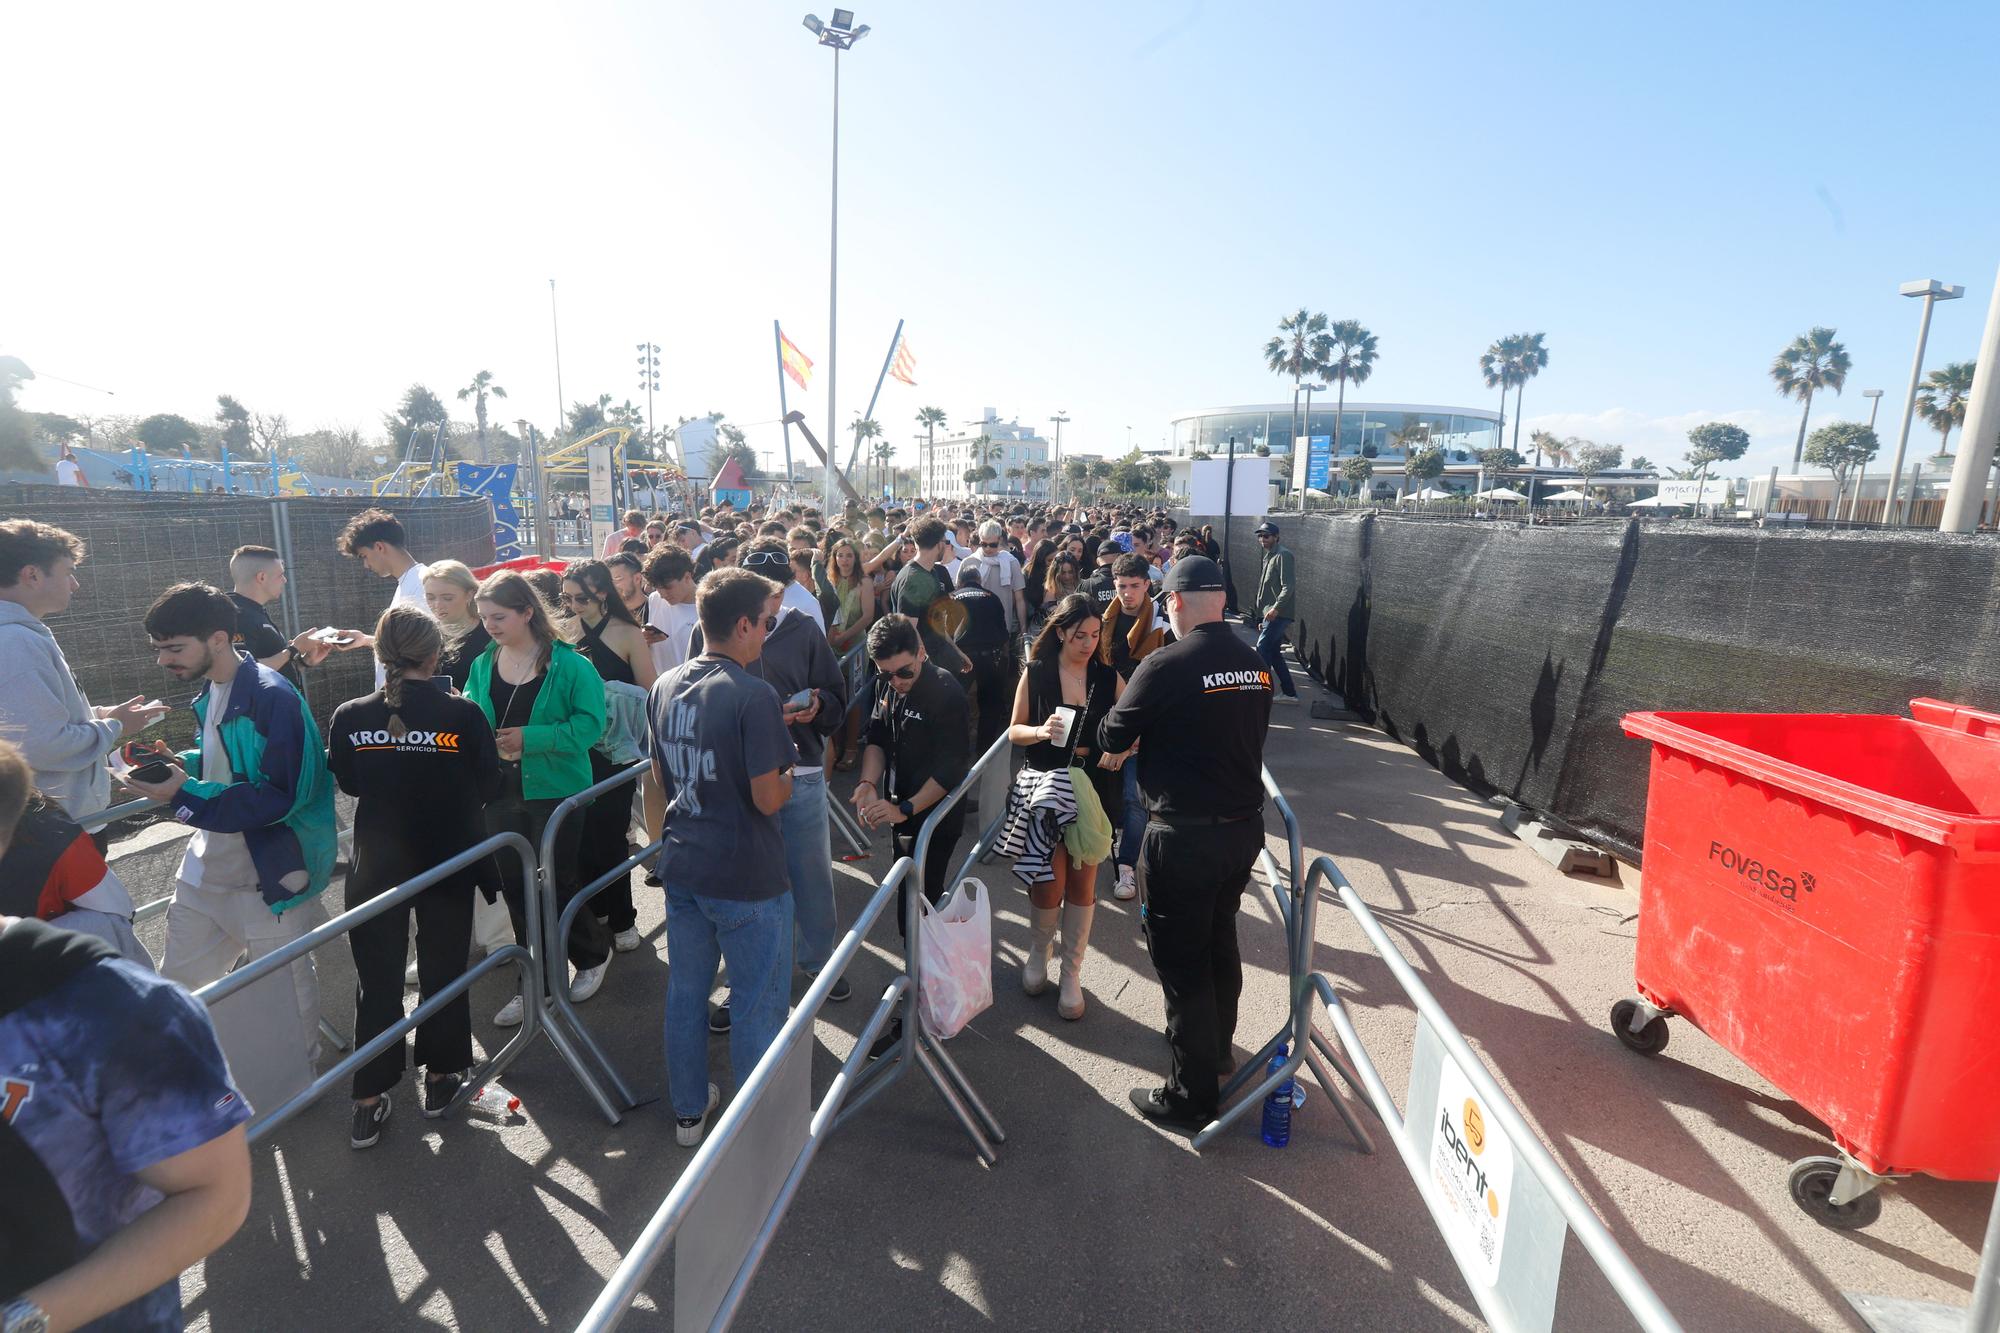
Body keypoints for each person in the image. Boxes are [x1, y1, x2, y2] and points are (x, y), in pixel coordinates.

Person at [0, 740, 252, 1333]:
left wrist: (27, 1319)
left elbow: (215, 1195)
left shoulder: (108, 1006)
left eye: (172, 644)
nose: (163, 655)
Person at [124, 582, 339, 1112]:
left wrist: (183, 792)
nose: (163, 660)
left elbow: (279, 796)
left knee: (285, 983)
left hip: (269, 868)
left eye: (174, 648)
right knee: (179, 981)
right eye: (158, 648)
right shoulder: (216, 690)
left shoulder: (272, 696)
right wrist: (182, 762)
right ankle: (198, 1083)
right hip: (209, 864)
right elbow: (229, 761)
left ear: (217, 638)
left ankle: (297, 1081)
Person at [1098, 556, 1274, 1131]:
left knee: (1181, 963)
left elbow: (1113, 733)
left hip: (1185, 835)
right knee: (1220, 937)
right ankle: (1217, 1050)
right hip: (1242, 829)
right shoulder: (1254, 662)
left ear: (1172, 602)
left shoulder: (1166, 662)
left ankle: (1190, 1095)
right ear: (1220, 600)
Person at [326, 605, 501, 1147]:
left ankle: (369, 1098)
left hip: (377, 862)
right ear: (436, 655)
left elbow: (350, 783)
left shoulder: (350, 714)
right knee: (443, 968)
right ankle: (443, 1077)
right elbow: (488, 785)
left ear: (381, 654)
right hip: (446, 859)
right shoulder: (464, 715)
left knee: (376, 980)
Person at [649, 567, 798, 1146]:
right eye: (767, 622)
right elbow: (768, 799)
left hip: (684, 862)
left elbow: (661, 778)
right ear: (742, 624)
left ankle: (689, 1111)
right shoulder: (755, 695)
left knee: (685, 994)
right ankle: (758, 1127)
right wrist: (789, 777)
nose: (768, 632)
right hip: (747, 874)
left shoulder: (665, 686)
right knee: (757, 1004)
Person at [463, 570, 613, 1026]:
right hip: (500, 791)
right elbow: (472, 710)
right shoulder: (483, 662)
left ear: (528, 612)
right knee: (515, 886)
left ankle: (590, 955)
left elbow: (592, 725)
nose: (489, 625)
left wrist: (532, 738)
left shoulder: (571, 665)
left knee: (557, 881)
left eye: (499, 616)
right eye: (484, 616)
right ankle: (539, 982)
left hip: (557, 789)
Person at [998, 593, 1126, 1020]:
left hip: (1093, 787)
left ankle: (1071, 974)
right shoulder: (1036, 673)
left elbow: (1135, 728)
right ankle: (1039, 952)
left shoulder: (1108, 678)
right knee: (1047, 880)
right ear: (1060, 633)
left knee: (1082, 882)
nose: (1088, 643)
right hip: (1045, 787)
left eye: (1094, 635)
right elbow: (1013, 731)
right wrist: (1038, 729)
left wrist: (1121, 753)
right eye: (1079, 636)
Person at [853, 614, 971, 1059]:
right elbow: (877, 737)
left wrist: (904, 808)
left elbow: (951, 768)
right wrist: (867, 783)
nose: (897, 681)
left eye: (905, 670)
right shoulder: (887, 685)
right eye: (886, 673)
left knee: (922, 906)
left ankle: (924, 1003)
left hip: (933, 818)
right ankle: (922, 989)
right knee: (911, 908)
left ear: (921, 653)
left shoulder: (945, 692)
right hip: (903, 813)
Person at [0, 521, 165, 822]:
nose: (75, 585)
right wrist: (115, 725)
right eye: (68, 572)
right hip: (55, 827)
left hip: (52, 820)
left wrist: (99, 714)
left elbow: (34, 721)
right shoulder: (15, 642)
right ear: (32, 575)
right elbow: (44, 744)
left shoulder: (21, 635)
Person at [561, 560, 656, 954]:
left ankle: (623, 918)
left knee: (611, 835)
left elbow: (651, 690)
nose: (572, 605)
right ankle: (596, 910)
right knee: (579, 836)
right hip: (574, 748)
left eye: (580, 597)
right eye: (565, 598)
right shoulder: (564, 632)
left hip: (616, 751)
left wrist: (614, 695)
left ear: (602, 592)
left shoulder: (628, 632)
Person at [1101, 553, 1169, 901]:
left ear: (1147, 584)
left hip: (1144, 727)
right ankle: (1102, 852)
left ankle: (1126, 867)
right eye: (1121, 586)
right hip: (1104, 723)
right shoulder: (1103, 623)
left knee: (1133, 798)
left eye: (1133, 586)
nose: (1126, 593)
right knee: (1102, 796)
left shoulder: (1162, 627)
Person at [331, 508, 427, 684]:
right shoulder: (408, 583)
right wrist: (365, 640)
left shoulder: (423, 584)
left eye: (364, 556)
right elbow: (404, 644)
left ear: (379, 547)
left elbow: (423, 647)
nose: (366, 565)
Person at [226, 544, 332, 693]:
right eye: (280, 575)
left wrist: (304, 661)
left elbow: (270, 668)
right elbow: (241, 671)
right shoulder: (238, 616)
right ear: (262, 577)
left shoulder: (254, 611)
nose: (285, 580)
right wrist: (293, 649)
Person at [888, 517, 970, 678]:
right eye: (946, 542)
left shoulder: (932, 572)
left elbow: (936, 622)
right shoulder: (912, 579)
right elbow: (909, 629)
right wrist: (927, 668)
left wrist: (956, 652)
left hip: (936, 661)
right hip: (921, 670)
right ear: (940, 543)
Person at [952, 559, 1013, 761]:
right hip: (991, 656)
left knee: (955, 704)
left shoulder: (952, 597)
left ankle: (957, 749)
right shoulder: (992, 597)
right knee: (990, 705)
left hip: (960, 657)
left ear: (960, 582)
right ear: (979, 580)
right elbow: (1004, 633)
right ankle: (984, 753)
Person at [423, 559, 492, 691]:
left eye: (447, 598)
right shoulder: (424, 634)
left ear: (469, 595)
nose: (437, 605)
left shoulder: (490, 632)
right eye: (430, 597)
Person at [1253, 520, 1300, 704]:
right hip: (1269, 613)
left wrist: (1276, 608)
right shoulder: (1269, 556)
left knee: (1262, 649)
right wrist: (1261, 616)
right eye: (1260, 536)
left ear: (1276, 537)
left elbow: (1289, 587)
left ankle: (1262, 692)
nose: (1262, 539)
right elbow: (1264, 591)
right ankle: (1289, 693)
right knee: (1273, 653)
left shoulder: (1283, 555)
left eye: (1266, 536)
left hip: (1278, 613)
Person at [972, 520, 1028, 640]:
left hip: (1003, 628)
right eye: (983, 544)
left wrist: (1024, 631)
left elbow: (1019, 600)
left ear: (1000, 541)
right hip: (975, 629)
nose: (987, 548)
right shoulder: (970, 562)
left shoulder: (1011, 562)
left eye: (992, 545)